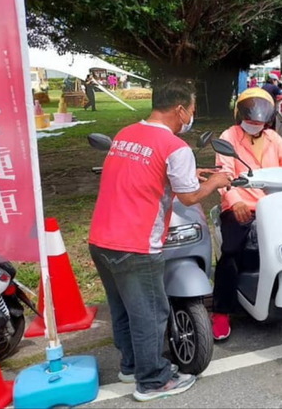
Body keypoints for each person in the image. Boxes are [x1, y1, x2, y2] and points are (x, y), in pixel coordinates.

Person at [88, 79, 232, 402]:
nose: (192, 117)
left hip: (100, 239)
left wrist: (193, 173)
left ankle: (130, 366)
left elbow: (143, 173)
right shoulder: (175, 147)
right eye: (192, 111)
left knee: (123, 307)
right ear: (180, 110)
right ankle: (153, 380)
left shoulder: (126, 134)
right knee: (152, 313)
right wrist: (218, 181)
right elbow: (189, 196)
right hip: (136, 244)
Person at [211, 87, 282, 340]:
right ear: (239, 115)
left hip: (275, 203)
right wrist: (235, 199)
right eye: (250, 121)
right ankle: (221, 311)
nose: (254, 125)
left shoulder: (273, 138)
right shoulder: (229, 136)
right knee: (230, 254)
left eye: (259, 122)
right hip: (243, 205)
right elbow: (224, 174)